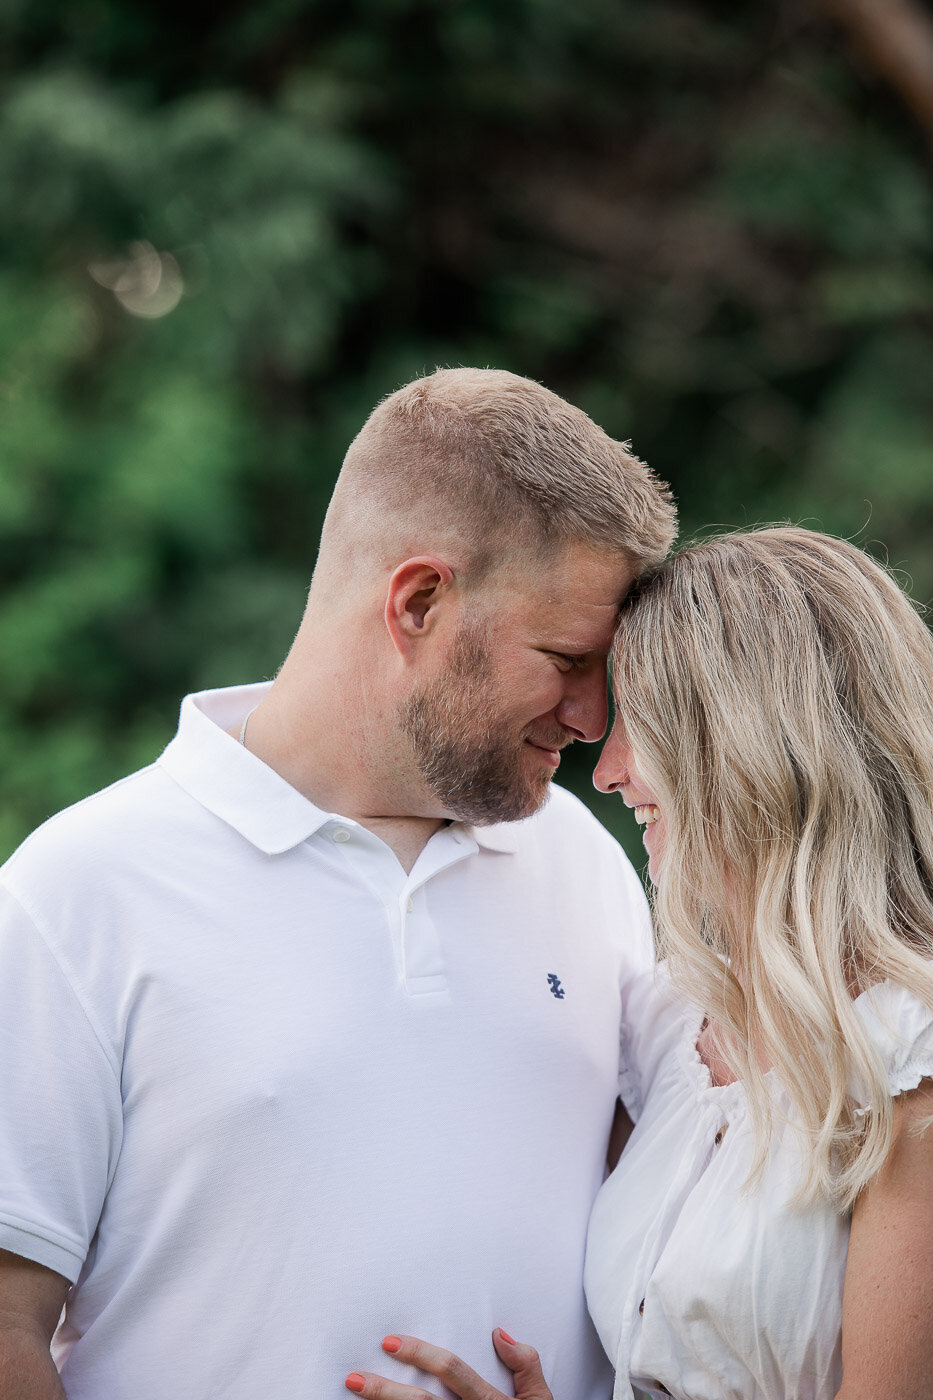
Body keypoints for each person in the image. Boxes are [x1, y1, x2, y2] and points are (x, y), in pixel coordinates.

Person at [0, 367, 677, 1398]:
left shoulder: (586, 861)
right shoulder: (77, 891)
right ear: (418, 602)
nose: (593, 719)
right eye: (566, 657)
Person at [348, 527, 933, 1400]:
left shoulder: (908, 1054)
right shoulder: (671, 1024)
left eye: (640, 727)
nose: (608, 771)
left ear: (752, 745)